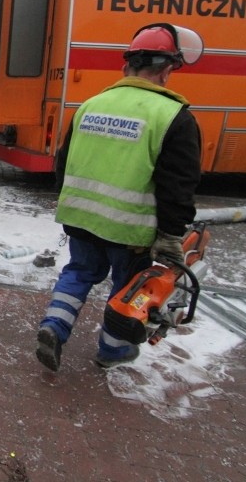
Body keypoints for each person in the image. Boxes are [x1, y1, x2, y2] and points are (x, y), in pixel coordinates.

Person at [35, 22, 204, 372]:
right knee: (128, 288)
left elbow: (63, 162)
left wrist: (68, 203)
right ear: (168, 69)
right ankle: (112, 350)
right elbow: (178, 185)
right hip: (130, 229)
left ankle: (54, 326)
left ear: (128, 65)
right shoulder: (173, 116)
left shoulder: (92, 104)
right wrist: (171, 234)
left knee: (79, 272)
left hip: (81, 217)